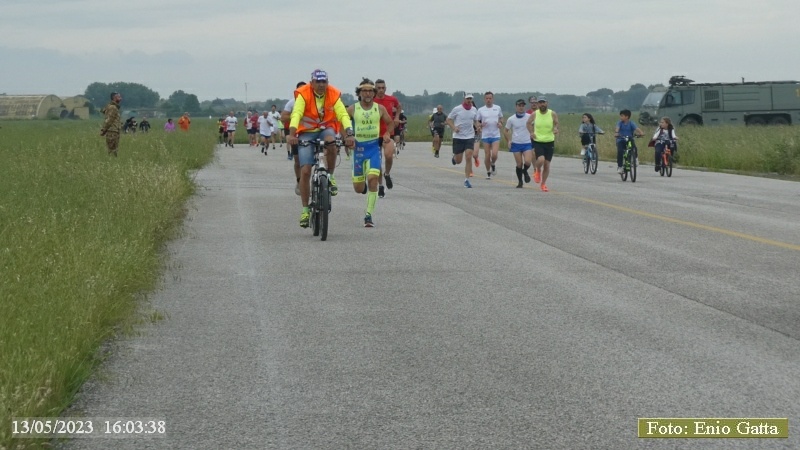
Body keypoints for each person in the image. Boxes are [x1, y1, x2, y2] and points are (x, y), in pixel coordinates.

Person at [287, 69, 355, 228]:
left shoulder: (333, 93)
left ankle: (330, 175)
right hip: (306, 132)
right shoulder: (303, 93)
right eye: (318, 82)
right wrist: (292, 134)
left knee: (331, 142)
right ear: (311, 83)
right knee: (305, 171)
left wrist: (349, 134)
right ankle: (305, 210)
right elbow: (296, 114)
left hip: (326, 129)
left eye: (324, 81)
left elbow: (342, 114)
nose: (321, 85)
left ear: (327, 82)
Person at [346, 78, 394, 227]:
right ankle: (363, 187)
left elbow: (390, 123)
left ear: (374, 93)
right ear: (359, 93)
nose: (367, 93)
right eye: (364, 91)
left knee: (373, 178)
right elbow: (342, 123)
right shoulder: (352, 109)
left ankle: (368, 215)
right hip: (358, 150)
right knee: (358, 188)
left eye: (370, 91)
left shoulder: (379, 109)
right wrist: (347, 137)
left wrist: (387, 134)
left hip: (373, 148)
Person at [373, 79, 401, 198]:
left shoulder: (392, 99)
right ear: (375, 89)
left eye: (382, 88)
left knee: (389, 155)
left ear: (385, 88)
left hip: (388, 133)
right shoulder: (371, 100)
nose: (381, 90)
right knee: (377, 161)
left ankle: (387, 174)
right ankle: (380, 185)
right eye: (378, 88)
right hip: (374, 134)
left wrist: (397, 117)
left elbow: (399, 107)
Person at [445, 93, 480, 188]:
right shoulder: (457, 109)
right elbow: (448, 120)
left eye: (470, 99)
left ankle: (467, 180)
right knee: (459, 160)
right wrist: (454, 127)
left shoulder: (474, 110)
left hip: (469, 136)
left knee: (468, 156)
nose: (469, 100)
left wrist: (478, 126)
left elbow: (476, 121)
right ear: (464, 99)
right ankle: (454, 158)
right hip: (458, 137)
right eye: (467, 98)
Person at [526, 96, 559, 192]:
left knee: (547, 164)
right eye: (540, 103)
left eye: (543, 102)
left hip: (549, 141)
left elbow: (556, 123)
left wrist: (556, 128)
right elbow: (528, 123)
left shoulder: (552, 113)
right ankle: (537, 170)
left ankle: (543, 184)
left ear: (547, 103)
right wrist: (531, 132)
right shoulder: (535, 114)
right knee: (541, 159)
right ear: (538, 104)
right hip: (538, 141)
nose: (542, 104)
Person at [282, 81, 306, 195]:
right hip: (295, 132)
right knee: (297, 159)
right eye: (300, 89)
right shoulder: (292, 102)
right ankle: (299, 180)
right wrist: (296, 115)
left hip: (308, 132)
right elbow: (283, 117)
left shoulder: (312, 100)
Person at [503, 99, 534, 188]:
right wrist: (509, 140)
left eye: (522, 106)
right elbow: (505, 131)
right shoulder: (511, 119)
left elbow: (536, 126)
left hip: (527, 142)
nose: (521, 107)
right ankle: (520, 181)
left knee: (527, 161)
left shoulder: (529, 117)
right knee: (519, 164)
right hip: (516, 143)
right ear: (516, 107)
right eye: (519, 106)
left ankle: (525, 171)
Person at [477, 91, 504, 179]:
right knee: (487, 155)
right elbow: (477, 122)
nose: (488, 100)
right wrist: (480, 125)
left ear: (493, 99)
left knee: (494, 154)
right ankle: (488, 171)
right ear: (484, 99)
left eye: (490, 98)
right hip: (486, 135)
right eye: (487, 98)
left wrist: (500, 123)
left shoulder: (497, 108)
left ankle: (493, 163)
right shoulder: (481, 110)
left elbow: (501, 118)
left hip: (495, 134)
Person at [614, 109, 645, 174]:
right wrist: (616, 133)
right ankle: (620, 166)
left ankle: (635, 158)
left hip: (629, 139)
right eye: (620, 116)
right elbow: (617, 128)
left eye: (622, 116)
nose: (620, 117)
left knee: (634, 148)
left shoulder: (631, 123)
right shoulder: (620, 123)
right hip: (621, 139)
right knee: (620, 151)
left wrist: (641, 133)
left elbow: (637, 128)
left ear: (627, 117)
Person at [100, 92, 122, 156]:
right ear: (114, 98)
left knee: (114, 150)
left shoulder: (113, 107)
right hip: (112, 131)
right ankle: (112, 160)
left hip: (114, 131)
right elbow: (109, 120)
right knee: (112, 150)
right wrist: (104, 130)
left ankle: (113, 160)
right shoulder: (113, 107)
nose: (121, 98)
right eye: (119, 97)